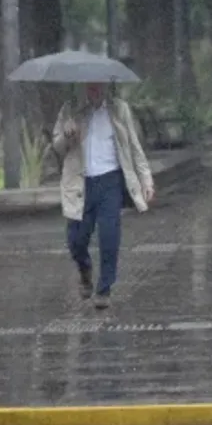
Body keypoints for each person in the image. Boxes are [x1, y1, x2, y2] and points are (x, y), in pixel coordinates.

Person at [52, 82, 155, 310]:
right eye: (90, 86)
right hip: (81, 183)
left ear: (106, 86)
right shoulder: (70, 110)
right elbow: (57, 148)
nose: (94, 89)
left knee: (109, 236)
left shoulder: (119, 110)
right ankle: (84, 269)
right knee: (76, 240)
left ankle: (104, 289)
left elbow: (134, 147)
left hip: (110, 181)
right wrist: (68, 135)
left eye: (98, 85)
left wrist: (146, 179)